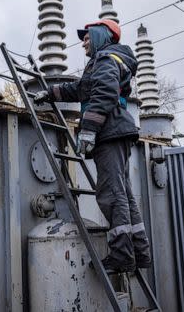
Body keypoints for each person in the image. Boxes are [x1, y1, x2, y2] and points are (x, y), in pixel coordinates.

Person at [33, 19, 151, 273]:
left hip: (109, 131)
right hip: (117, 130)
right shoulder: (107, 61)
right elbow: (82, 89)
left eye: (87, 37)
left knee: (111, 194)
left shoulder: (106, 60)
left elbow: (104, 93)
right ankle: (139, 251)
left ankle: (121, 255)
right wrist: (52, 92)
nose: (83, 42)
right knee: (124, 194)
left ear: (101, 35)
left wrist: (88, 130)